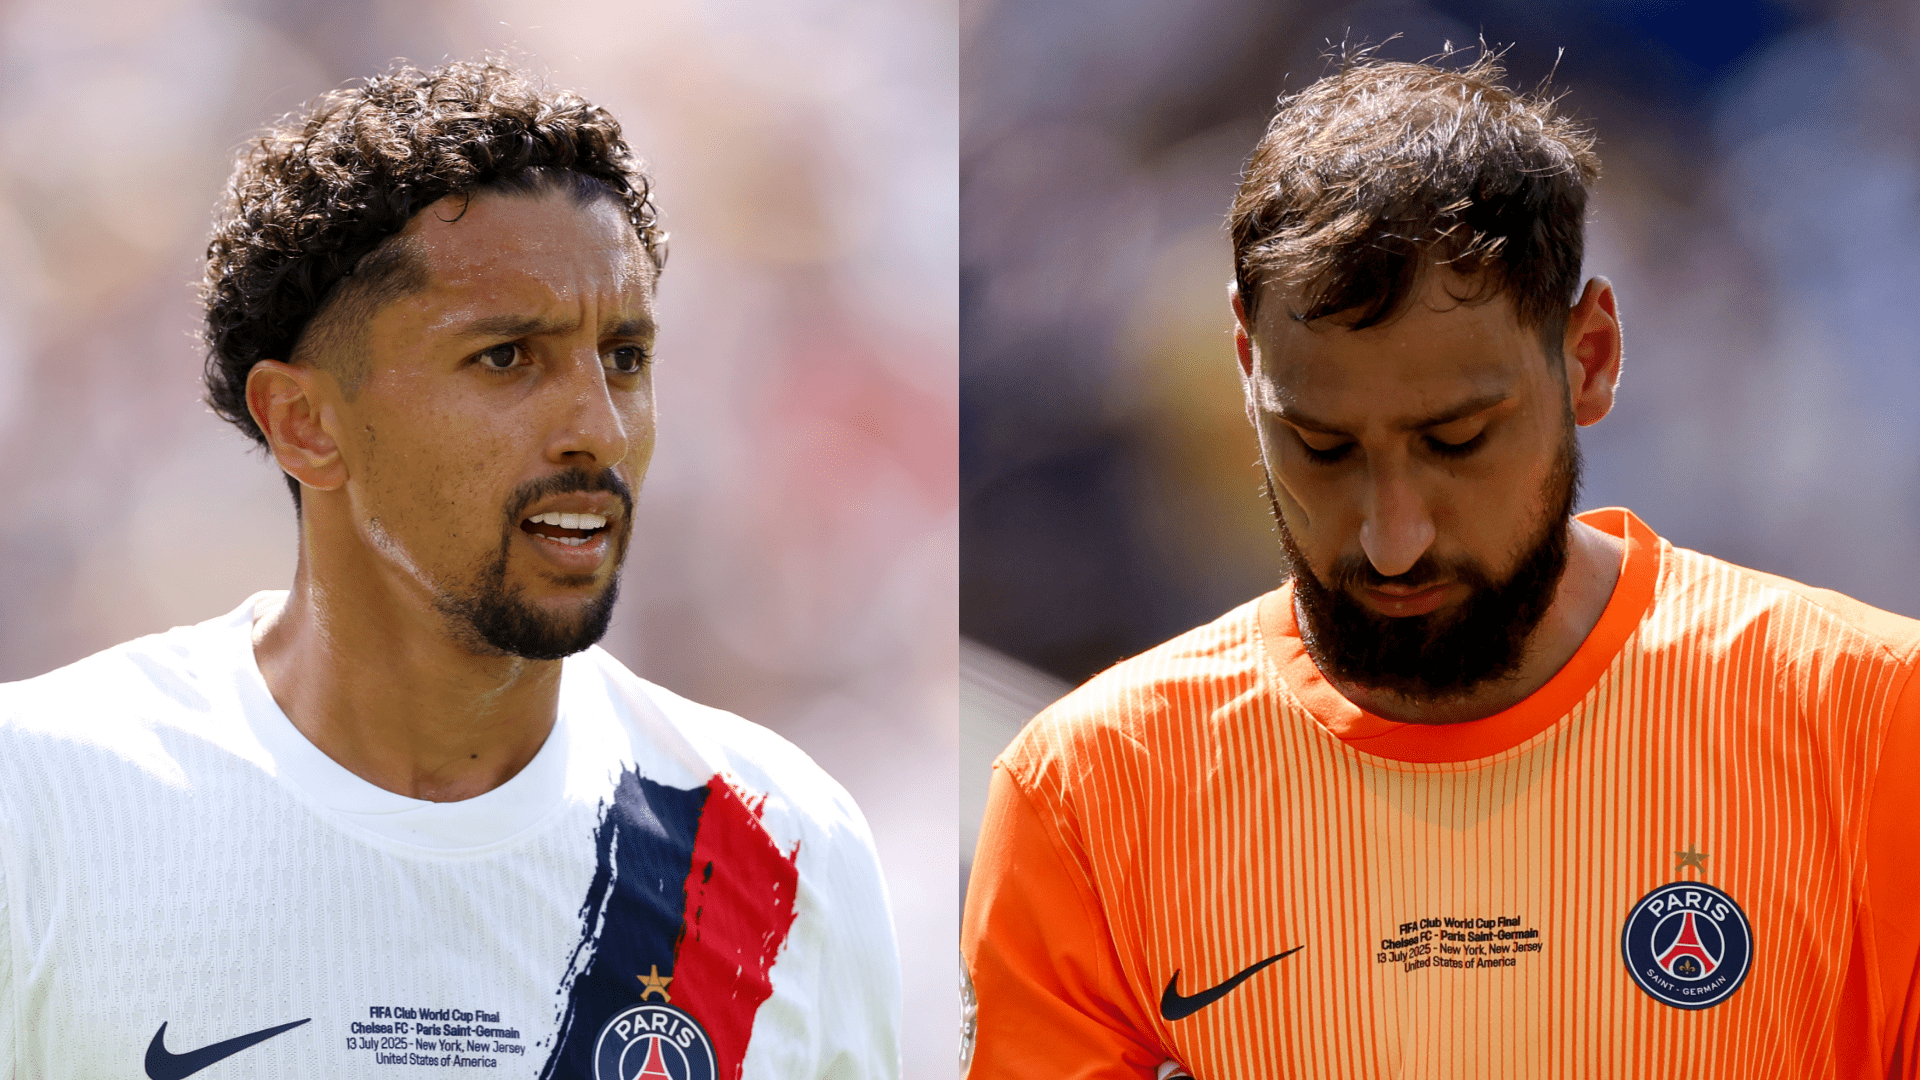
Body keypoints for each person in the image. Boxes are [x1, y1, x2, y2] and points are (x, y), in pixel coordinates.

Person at [961, 50, 1920, 1077]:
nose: (1393, 537)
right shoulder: (1089, 794)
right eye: (1321, 448)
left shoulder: (1872, 724)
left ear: (1590, 357)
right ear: (1246, 365)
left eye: (1457, 440)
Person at [0, 59, 899, 1079]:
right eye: (508, 357)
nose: (599, 431)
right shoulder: (37, 804)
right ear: (305, 424)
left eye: (625, 359)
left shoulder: (785, 848)